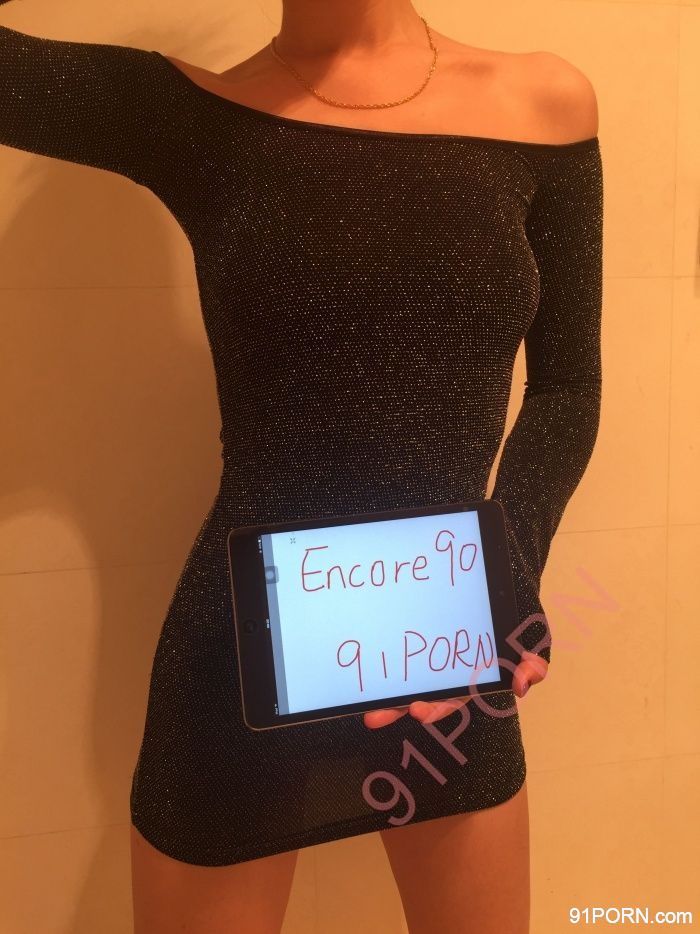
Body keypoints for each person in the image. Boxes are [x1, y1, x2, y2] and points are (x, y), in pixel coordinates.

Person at [1, 0, 603, 931]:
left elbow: (567, 387)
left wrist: (505, 568)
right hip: (237, 665)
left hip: (442, 650)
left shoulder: (544, 102)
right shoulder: (189, 115)